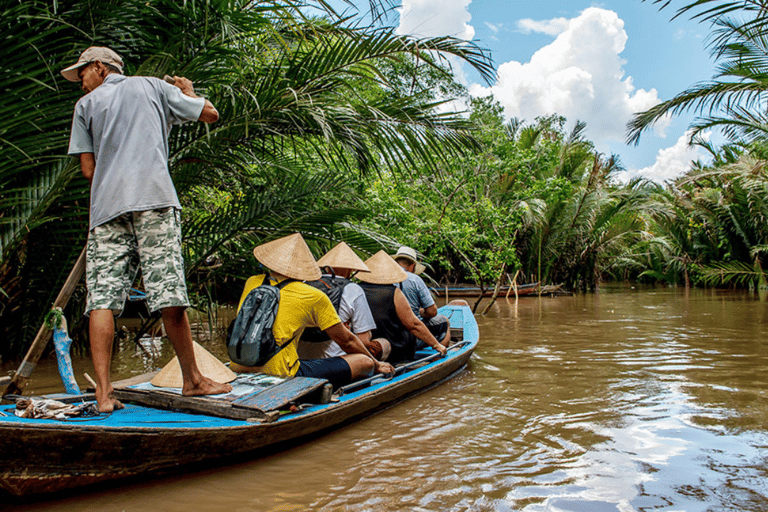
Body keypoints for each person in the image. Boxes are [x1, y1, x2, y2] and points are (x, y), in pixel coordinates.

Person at [63, 46, 231, 412]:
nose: (80, 84)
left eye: (82, 75)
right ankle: (193, 380)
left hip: (106, 210)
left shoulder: (85, 108)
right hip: (153, 199)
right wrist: (186, 91)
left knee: (102, 298)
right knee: (168, 289)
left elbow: (89, 172)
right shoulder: (152, 87)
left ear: (99, 68)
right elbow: (209, 113)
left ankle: (105, 393)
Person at [231, 233, 394, 388]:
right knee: (364, 361)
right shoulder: (312, 296)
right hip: (282, 373)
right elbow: (348, 341)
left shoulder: (252, 282)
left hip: (238, 363)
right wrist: (377, 364)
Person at [298, 242, 391, 361]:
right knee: (383, 343)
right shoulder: (353, 289)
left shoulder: (305, 283)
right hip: (335, 360)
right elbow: (363, 340)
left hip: (300, 359)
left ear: (326, 266)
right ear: (351, 269)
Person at [357, 251, 447, 364]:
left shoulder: (356, 289)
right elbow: (413, 324)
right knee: (443, 322)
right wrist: (436, 345)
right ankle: (440, 358)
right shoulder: (393, 292)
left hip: (368, 344)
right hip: (397, 347)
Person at [393, 246, 450, 347]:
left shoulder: (384, 279)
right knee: (444, 321)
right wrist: (422, 313)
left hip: (390, 333)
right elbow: (432, 311)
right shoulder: (415, 280)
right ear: (413, 265)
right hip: (411, 336)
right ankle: (439, 355)